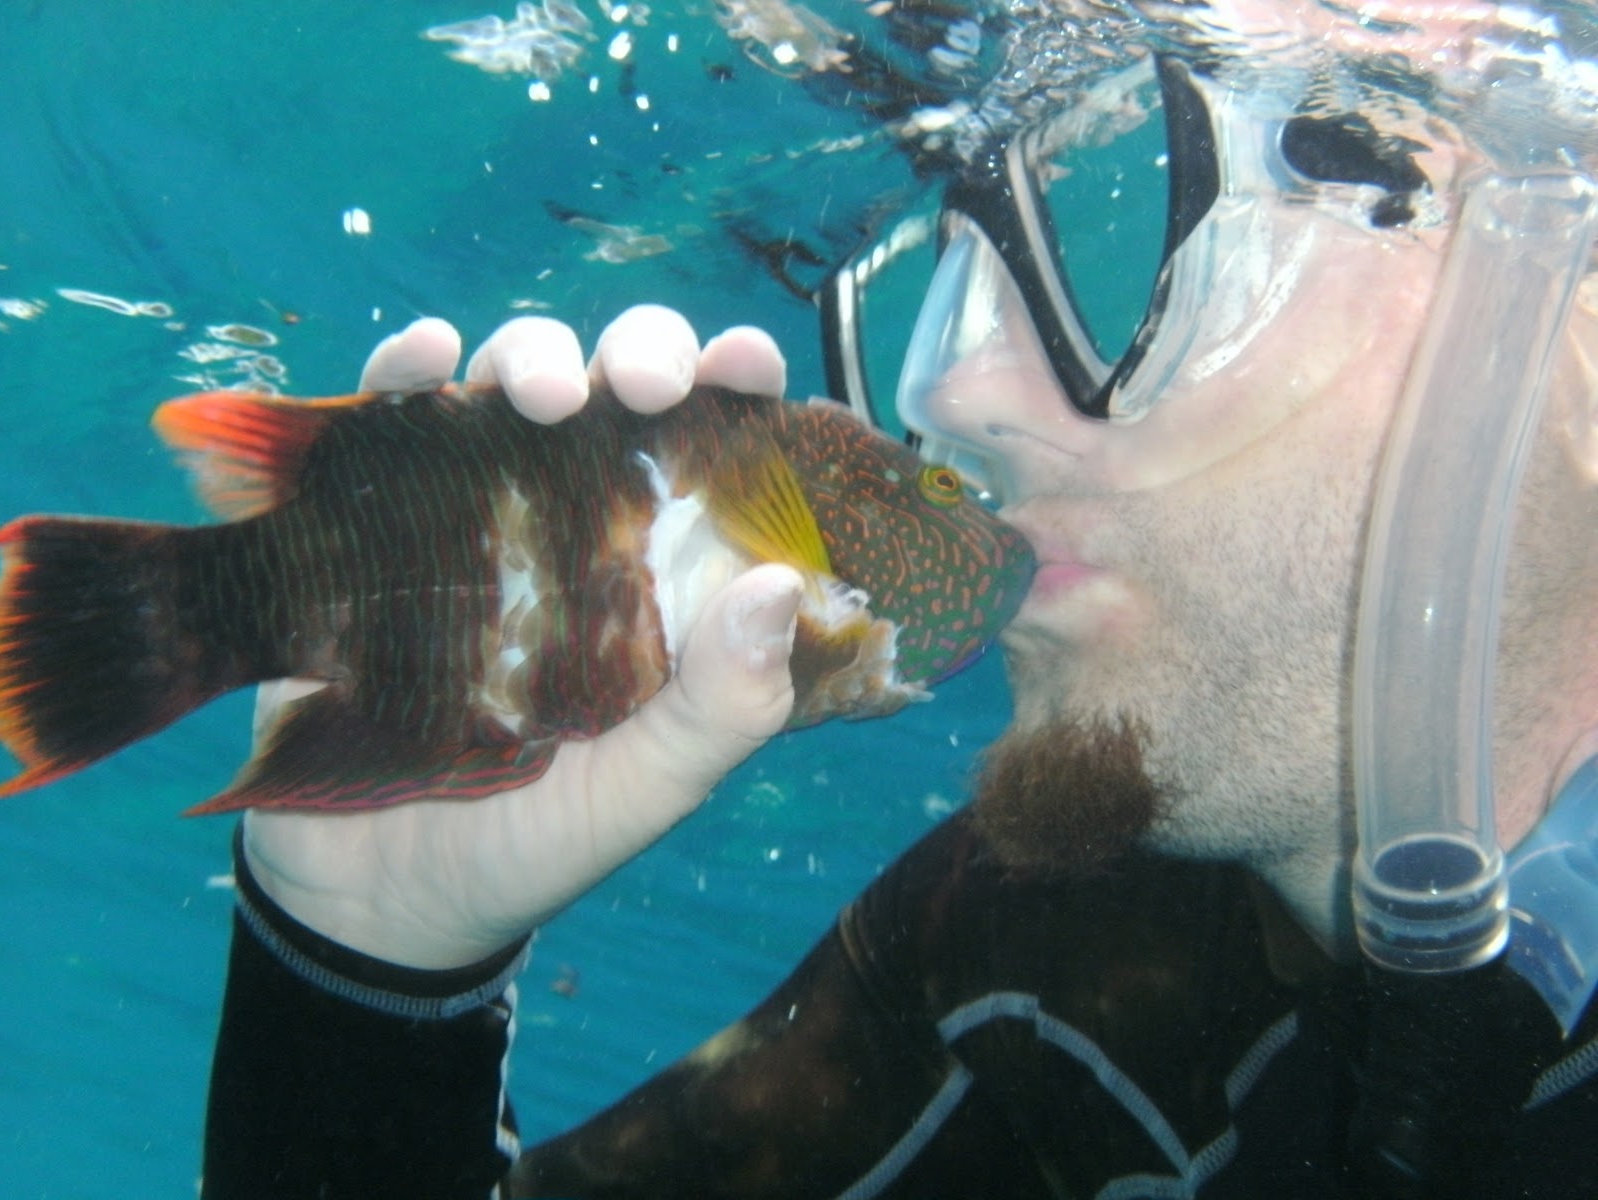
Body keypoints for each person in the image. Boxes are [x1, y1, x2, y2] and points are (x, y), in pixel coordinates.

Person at [200, 2, 1598, 1198]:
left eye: (1135, 244)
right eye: (946, 283)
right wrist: (367, 975)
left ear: (1554, 289)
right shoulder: (1024, 969)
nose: (955, 395)